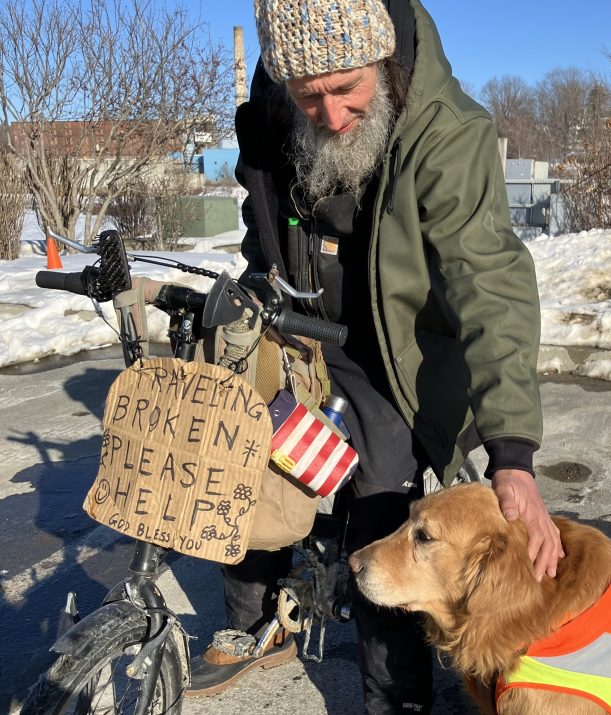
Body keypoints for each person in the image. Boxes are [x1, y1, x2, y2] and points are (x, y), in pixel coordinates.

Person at [187, 0, 563, 711]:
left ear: (383, 63)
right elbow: (260, 218)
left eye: (346, 90)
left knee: (383, 482)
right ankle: (252, 622)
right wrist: (261, 291)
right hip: (300, 322)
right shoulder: (274, 106)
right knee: (241, 429)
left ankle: (395, 696)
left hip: (398, 353)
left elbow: (491, 283)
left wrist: (512, 452)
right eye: (309, 96)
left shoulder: (447, 131)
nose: (329, 114)